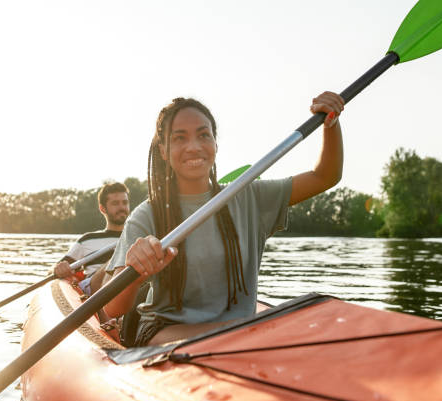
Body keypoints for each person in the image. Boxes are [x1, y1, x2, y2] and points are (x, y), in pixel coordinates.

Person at [105, 92, 344, 346]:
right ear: (163, 150)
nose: (194, 146)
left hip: (241, 333)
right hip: (166, 333)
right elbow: (113, 308)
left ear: (215, 144)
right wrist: (138, 274)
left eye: (203, 135)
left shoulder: (248, 195)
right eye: (179, 138)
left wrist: (331, 123)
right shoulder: (147, 214)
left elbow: (324, 177)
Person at [54, 181, 130, 295]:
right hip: (96, 290)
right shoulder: (87, 240)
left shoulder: (137, 237)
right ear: (102, 209)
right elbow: (54, 271)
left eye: (125, 202)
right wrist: (59, 268)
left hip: (129, 286)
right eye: (115, 203)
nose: (122, 207)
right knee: (120, 259)